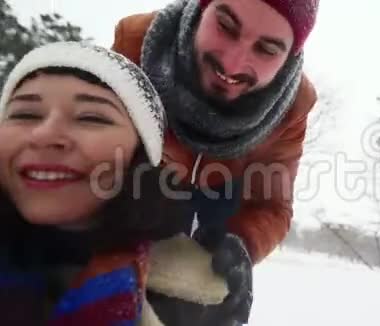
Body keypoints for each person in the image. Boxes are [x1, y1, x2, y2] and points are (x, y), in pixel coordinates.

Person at [111, 0, 320, 323]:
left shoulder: (293, 107)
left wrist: (242, 245)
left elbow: (270, 206)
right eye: (225, 26)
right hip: (144, 179)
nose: (233, 64)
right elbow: (91, 154)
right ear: (200, 9)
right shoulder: (135, 43)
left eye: (266, 49)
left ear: (289, 58)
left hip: (221, 193)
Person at [0, 42, 231, 325]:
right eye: (25, 114)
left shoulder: (186, 299)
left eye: (90, 117)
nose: (44, 135)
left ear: (140, 155)